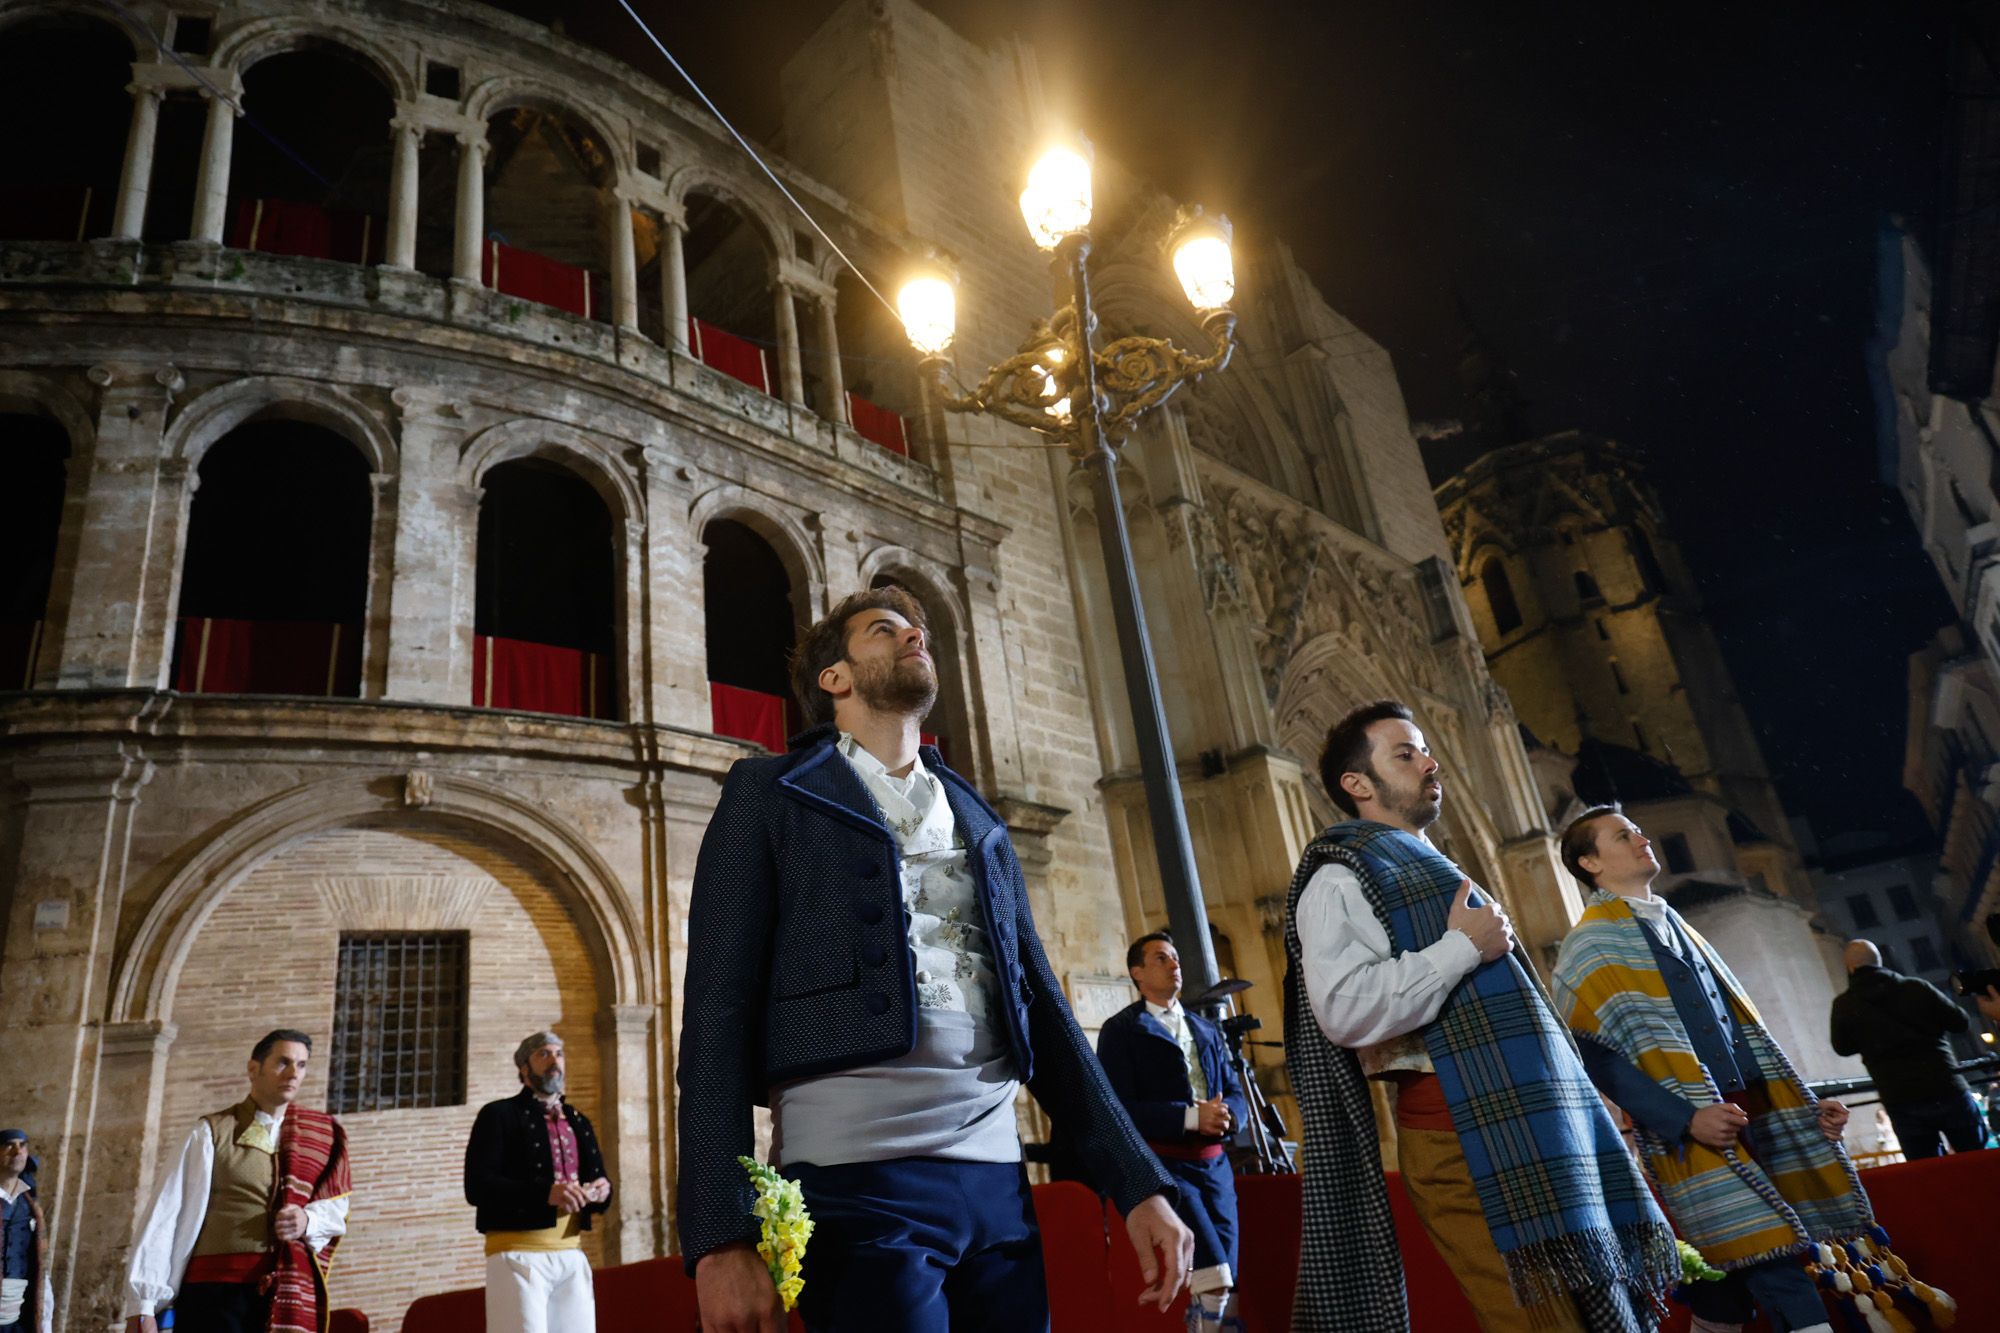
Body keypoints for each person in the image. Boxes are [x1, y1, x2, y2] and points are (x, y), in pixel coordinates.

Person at [678, 587, 1191, 1333]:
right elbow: (715, 1015)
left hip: (997, 1178)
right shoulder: (767, 793)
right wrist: (721, 1234)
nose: (915, 634)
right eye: (884, 629)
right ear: (834, 677)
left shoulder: (978, 815)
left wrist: (1139, 1181)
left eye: (917, 628)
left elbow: (1045, 1013)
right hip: (854, 1179)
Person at [1281, 700, 1673, 1333]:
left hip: (1536, 1117)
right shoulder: (1338, 878)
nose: (1429, 763)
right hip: (1458, 1131)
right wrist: (1464, 947)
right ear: (1358, 784)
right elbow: (1344, 1011)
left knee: (1595, 1312)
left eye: (1425, 750)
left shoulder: (1434, 868)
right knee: (1543, 1325)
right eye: (1404, 755)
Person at [1554, 806, 1857, 1333]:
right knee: (1775, 1261)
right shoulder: (1588, 944)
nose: (1642, 839)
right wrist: (1685, 1119)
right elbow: (1594, 1055)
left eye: (1638, 831)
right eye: (1623, 836)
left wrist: (1805, 1108)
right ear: (1590, 863)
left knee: (1727, 1287)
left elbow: (1741, 1033)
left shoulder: (1680, 927)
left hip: (1755, 1116)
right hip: (1694, 1134)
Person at [123, 1030, 350, 1333]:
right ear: (254, 1069)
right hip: (214, 1296)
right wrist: (143, 1305)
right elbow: (167, 1214)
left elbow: (336, 1210)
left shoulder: (322, 1136)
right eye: (283, 1062)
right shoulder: (211, 1132)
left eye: (302, 1065)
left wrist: (307, 1221)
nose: (293, 1073)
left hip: (286, 1294)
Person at [1097, 931, 1246, 1319]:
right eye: (1161, 958)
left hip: (1216, 1167)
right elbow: (1118, 1108)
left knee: (1229, 1279)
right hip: (1167, 1166)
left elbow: (1234, 1090)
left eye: (1175, 957)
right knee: (1214, 1276)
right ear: (1137, 973)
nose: (1174, 964)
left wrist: (1229, 1115)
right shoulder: (1121, 1030)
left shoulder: (1206, 1029)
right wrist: (1191, 1117)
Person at [464, 1031, 612, 1333]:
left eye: (559, 1054)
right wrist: (546, 1193)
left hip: (572, 1254)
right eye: (543, 1054)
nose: (554, 1061)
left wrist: (602, 1191)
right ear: (524, 1068)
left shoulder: (578, 1120)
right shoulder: (498, 1115)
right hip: (517, 1255)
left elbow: (600, 1179)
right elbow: (477, 1186)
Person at [1829, 939, 1991, 1159]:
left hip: (1899, 1096)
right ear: (1879, 962)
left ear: (1850, 967)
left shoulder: (1845, 1005)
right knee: (1976, 1157)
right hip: (1945, 1084)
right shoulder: (1915, 987)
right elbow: (1960, 1022)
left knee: (1927, 1167)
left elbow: (1842, 1047)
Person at [0, 1130, 48, 1333]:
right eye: (9, 1145)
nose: (17, 1151)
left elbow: (37, 1261)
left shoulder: (29, 1205)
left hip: (17, 1318)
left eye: (22, 1145)